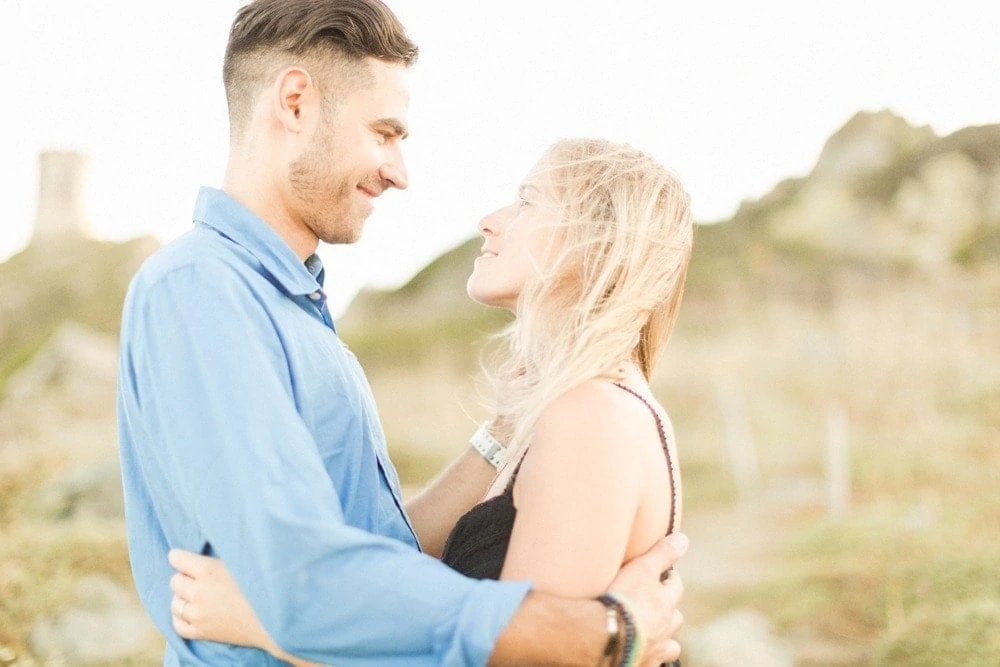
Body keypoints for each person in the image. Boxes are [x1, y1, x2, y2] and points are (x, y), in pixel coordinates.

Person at [116, 1, 687, 666]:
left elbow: (377, 554)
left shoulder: (298, 313)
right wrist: (597, 633)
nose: (399, 171)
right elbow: (305, 585)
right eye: (384, 133)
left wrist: (500, 434)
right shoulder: (203, 294)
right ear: (296, 102)